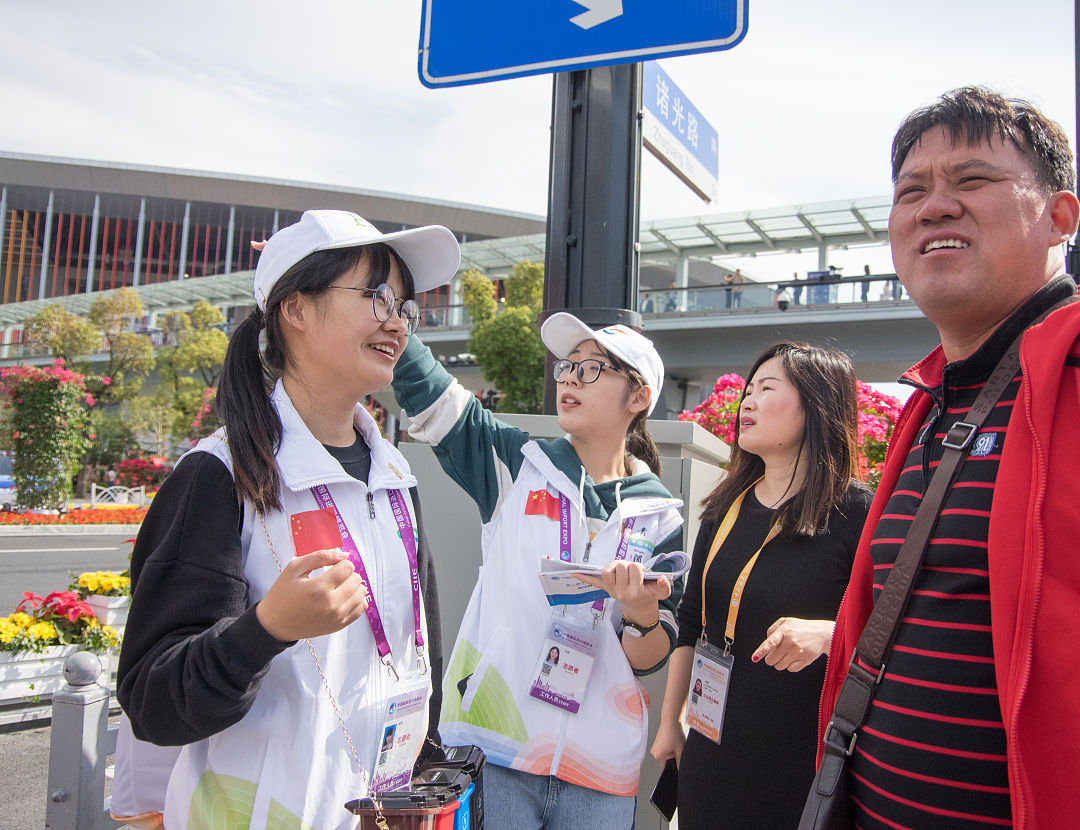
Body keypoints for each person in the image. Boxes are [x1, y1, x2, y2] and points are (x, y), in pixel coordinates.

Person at [817, 86, 1080, 829]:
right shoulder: (929, 404)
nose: (934, 206)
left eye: (972, 179)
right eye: (911, 191)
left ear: (1059, 217)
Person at [114, 210, 459, 829]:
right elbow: (153, 700)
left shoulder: (396, 477)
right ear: (294, 309)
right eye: (376, 296)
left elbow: (420, 655)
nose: (397, 322)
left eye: (405, 307)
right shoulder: (218, 475)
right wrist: (266, 629)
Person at [392, 314, 685, 829]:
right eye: (567, 367)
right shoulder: (517, 464)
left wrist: (641, 612)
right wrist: (391, 314)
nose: (570, 378)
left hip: (600, 772)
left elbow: (648, 657)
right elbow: (433, 394)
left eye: (591, 369)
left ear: (638, 398)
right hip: (492, 751)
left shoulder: (660, 516)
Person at [653, 342, 872, 830]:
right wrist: (670, 723)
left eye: (766, 389)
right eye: (747, 390)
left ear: (816, 405)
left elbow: (894, 632)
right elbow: (691, 621)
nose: (746, 402)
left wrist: (829, 635)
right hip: (709, 750)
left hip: (803, 764)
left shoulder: (858, 513)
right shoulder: (724, 508)